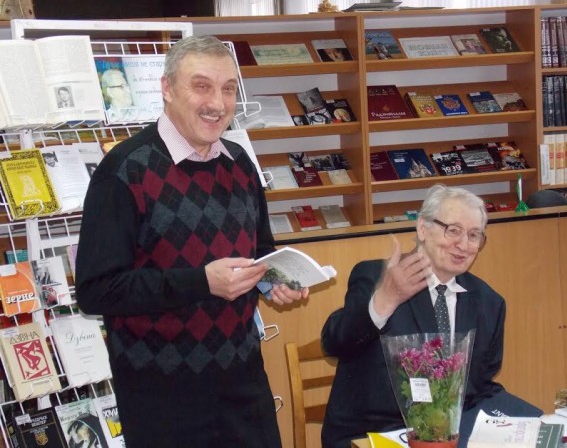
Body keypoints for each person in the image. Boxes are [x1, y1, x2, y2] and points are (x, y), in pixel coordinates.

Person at [76, 35, 308, 448]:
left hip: (244, 384)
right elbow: (97, 290)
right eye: (201, 86)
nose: (217, 103)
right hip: (162, 399)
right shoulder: (123, 171)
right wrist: (201, 282)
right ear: (167, 89)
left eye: (228, 88)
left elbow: (260, 253)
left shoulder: (241, 165)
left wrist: (275, 279)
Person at [321, 184, 540, 448]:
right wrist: (386, 299)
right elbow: (334, 342)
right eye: (453, 230)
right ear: (423, 228)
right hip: (375, 434)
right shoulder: (376, 276)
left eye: (474, 235)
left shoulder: (488, 303)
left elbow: (479, 387)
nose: (464, 244)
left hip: (450, 436)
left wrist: (528, 422)